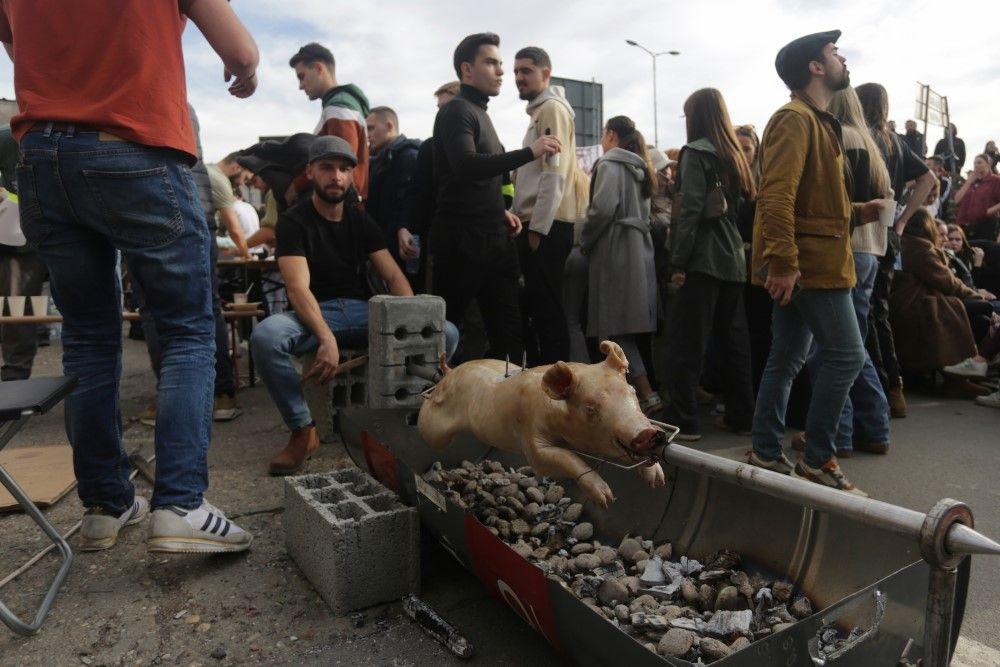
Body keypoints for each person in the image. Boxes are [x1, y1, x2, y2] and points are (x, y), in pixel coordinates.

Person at [3, 0, 259, 553]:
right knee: (188, 329)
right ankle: (181, 503)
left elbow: (17, 48)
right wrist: (248, 73)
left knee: (88, 339)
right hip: (134, 147)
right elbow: (240, 51)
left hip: (43, 158)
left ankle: (106, 504)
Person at [251, 137, 456, 474]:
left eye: (345, 169)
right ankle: (303, 430)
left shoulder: (360, 218)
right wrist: (326, 338)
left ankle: (410, 419)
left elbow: (393, 275)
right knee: (265, 336)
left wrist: (414, 323)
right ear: (310, 172)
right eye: (327, 167)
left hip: (363, 311)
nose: (337, 176)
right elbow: (297, 288)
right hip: (317, 312)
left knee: (444, 331)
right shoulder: (293, 221)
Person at [747, 30, 883, 496]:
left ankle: (766, 449)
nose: (843, 57)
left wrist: (856, 212)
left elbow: (808, 200)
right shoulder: (794, 119)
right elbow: (776, 196)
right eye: (834, 53)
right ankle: (819, 457)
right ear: (816, 67)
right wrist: (783, 262)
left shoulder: (817, 121)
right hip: (811, 266)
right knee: (847, 356)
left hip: (811, 260)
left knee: (785, 358)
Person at [431, 33, 560, 362]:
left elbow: (486, 179)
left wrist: (499, 212)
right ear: (467, 69)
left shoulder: (481, 114)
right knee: (443, 335)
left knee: (509, 334)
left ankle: (510, 411)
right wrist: (530, 152)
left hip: (495, 240)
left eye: (501, 64)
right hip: (461, 241)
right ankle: (430, 409)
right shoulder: (457, 110)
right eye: (491, 62)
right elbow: (465, 165)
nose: (501, 71)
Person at [792, 86, 893, 458]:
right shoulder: (871, 141)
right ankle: (875, 427)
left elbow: (831, 201)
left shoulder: (838, 137)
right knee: (853, 347)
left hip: (844, 247)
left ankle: (840, 434)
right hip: (872, 248)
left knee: (832, 349)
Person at [664, 89, 756, 441]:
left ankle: (683, 419)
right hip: (733, 257)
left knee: (686, 341)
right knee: (733, 342)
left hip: (702, 258)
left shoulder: (696, 153)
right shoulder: (734, 154)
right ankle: (741, 415)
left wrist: (677, 261)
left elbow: (688, 213)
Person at [855, 82, 935, 419]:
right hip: (889, 235)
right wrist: (902, 220)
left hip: (864, 231)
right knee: (878, 311)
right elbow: (930, 179)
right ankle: (893, 386)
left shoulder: (864, 138)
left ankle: (878, 391)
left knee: (863, 315)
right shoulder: (896, 142)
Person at [569, 115, 659, 411]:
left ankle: (641, 395)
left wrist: (586, 240)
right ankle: (639, 394)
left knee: (612, 328)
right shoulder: (640, 167)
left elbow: (602, 209)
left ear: (610, 135)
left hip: (615, 251)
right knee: (623, 327)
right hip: (638, 251)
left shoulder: (609, 164)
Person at [511, 46, 589, 365]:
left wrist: (538, 228)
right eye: (516, 72)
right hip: (540, 223)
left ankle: (554, 389)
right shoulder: (543, 110)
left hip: (545, 225)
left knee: (548, 313)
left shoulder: (552, 109)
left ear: (546, 73)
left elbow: (553, 173)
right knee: (542, 310)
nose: (519, 78)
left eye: (526, 71)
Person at [890, 210, 990, 398]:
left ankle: (962, 374)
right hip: (915, 307)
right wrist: (977, 296)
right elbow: (948, 283)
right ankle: (957, 378)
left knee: (975, 312)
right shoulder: (921, 249)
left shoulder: (905, 244)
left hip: (903, 306)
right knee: (961, 309)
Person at [397, 81, 459, 287]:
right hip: (438, 244)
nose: (440, 115)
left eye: (446, 108)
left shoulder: (489, 143)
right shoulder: (429, 148)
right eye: (439, 109)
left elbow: (504, 190)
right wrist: (405, 227)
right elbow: (416, 193)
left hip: (480, 244)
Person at [289, 42, 371, 197]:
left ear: (319, 68)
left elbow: (338, 163)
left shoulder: (339, 107)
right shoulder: (339, 107)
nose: (300, 86)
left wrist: (296, 186)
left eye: (302, 76)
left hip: (339, 209)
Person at [0, 124, 47, 381]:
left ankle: (14, 378)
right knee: (18, 309)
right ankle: (14, 378)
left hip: (28, 242)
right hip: (15, 241)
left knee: (20, 309)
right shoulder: (7, 139)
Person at [365, 106, 420, 264]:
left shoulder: (409, 156)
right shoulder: (380, 159)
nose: (368, 135)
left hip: (401, 248)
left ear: (389, 126)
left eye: (371, 128)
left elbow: (409, 202)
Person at [208, 153, 251, 258]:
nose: (242, 184)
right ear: (237, 167)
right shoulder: (221, 181)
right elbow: (234, 229)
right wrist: (247, 256)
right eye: (245, 178)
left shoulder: (205, 170)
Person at [954, 154, 1000, 241]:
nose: (976, 165)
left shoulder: (996, 180)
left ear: (988, 164)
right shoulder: (971, 180)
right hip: (963, 224)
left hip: (985, 224)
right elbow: (956, 200)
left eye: (979, 162)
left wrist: (988, 212)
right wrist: (968, 182)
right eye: (974, 163)